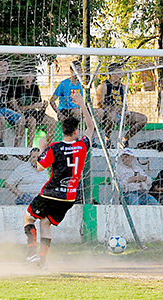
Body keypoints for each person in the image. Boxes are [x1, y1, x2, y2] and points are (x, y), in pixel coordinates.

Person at [23, 91, 94, 268]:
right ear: (76, 132)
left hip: (51, 192)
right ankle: (42, 261)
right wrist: (83, 106)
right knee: (46, 223)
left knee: (28, 219)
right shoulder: (82, 146)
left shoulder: (55, 148)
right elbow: (91, 129)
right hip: (69, 196)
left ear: (63, 131)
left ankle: (32, 254)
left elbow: (39, 167)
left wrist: (41, 149)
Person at [95, 62, 147, 148]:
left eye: (121, 73)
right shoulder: (104, 86)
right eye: (118, 73)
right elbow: (100, 103)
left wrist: (124, 110)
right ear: (111, 74)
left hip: (121, 113)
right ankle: (107, 139)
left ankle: (125, 139)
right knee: (111, 116)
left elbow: (124, 103)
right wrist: (113, 109)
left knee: (143, 119)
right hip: (109, 113)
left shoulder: (122, 87)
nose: (121, 76)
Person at [0, 60, 25, 149]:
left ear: (8, 68)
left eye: (5, 66)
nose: (3, 68)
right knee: (0, 117)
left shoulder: (10, 81)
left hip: (4, 109)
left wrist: (18, 111)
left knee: (21, 120)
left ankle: (16, 148)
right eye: (1, 66)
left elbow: (11, 99)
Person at [14, 74, 57, 147]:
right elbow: (16, 107)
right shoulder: (17, 88)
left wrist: (43, 106)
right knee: (32, 121)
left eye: (30, 76)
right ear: (22, 77)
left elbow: (38, 106)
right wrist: (32, 106)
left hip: (33, 112)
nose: (28, 78)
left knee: (51, 121)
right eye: (26, 76)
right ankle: (29, 148)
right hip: (23, 113)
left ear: (33, 78)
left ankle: (47, 147)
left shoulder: (35, 88)